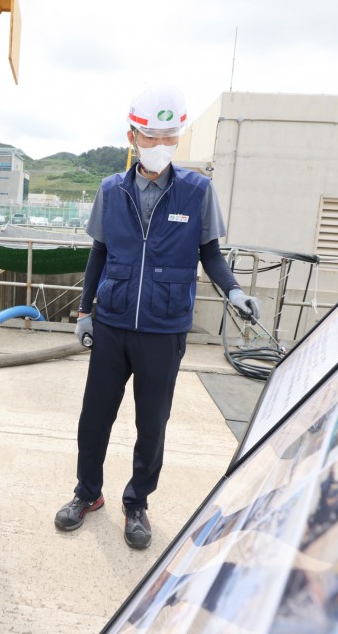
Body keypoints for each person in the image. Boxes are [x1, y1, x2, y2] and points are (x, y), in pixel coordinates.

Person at [54, 84, 262, 550]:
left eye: (170, 136)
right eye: (151, 137)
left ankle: (137, 502)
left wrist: (235, 291)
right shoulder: (111, 190)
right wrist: (85, 311)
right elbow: (99, 253)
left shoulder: (197, 191)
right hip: (112, 324)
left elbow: (210, 253)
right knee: (95, 418)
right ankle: (87, 493)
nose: (161, 146)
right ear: (132, 136)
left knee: (152, 424)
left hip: (163, 329)